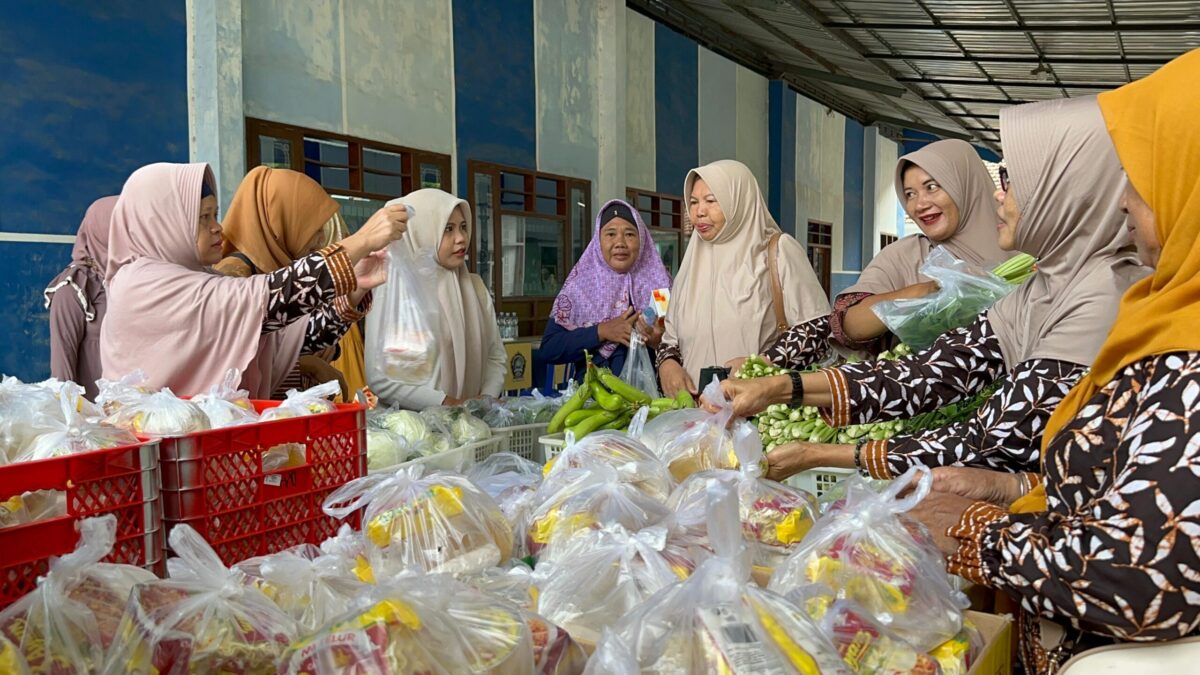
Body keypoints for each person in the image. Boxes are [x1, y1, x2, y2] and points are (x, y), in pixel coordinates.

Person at [904, 50, 1200, 673]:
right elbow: (1116, 484)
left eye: (1141, 179)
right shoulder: (1159, 308)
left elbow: (1142, 574)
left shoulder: (1173, 339)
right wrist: (1009, 488)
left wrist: (975, 531)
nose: (1123, 203)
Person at [716, 95, 1146, 486]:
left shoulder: (1106, 294)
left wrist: (824, 454)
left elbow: (994, 437)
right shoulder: (1045, 283)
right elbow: (932, 373)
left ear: (1068, 189)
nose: (999, 196)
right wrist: (782, 387)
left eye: (1012, 180)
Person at [100, 162, 406, 398]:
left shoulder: (198, 277)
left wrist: (354, 290)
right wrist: (361, 241)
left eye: (215, 214)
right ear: (163, 222)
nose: (218, 227)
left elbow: (289, 338)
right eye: (204, 217)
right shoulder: (140, 283)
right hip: (157, 452)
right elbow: (271, 301)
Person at [657, 159, 831, 397]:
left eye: (711, 200)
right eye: (694, 202)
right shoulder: (690, 265)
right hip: (697, 409)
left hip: (761, 407)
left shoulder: (778, 251)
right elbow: (671, 339)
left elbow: (817, 329)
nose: (699, 211)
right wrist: (667, 364)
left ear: (739, 201)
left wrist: (761, 364)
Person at [832, 139, 1014, 354]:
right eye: (910, 194)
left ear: (966, 185)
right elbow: (849, 327)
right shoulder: (904, 256)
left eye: (931, 187)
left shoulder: (1025, 251)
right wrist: (928, 291)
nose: (919, 205)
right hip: (921, 375)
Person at [215, 166, 368, 399]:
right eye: (313, 228)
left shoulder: (280, 268)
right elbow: (238, 362)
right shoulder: (234, 276)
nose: (320, 240)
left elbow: (296, 338)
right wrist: (307, 364)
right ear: (282, 221)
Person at [366, 188, 506, 409]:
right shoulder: (394, 291)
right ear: (421, 232)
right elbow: (380, 376)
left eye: (463, 227)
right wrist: (449, 404)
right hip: (412, 426)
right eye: (448, 229)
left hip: (472, 423)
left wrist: (482, 403)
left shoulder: (475, 288)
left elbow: (495, 357)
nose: (461, 238)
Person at [539, 199, 672, 377]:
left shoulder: (661, 286)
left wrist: (658, 342)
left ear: (642, 240)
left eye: (629, 234)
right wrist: (601, 331)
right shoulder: (579, 288)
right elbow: (549, 349)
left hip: (652, 391)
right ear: (598, 241)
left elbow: (685, 343)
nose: (620, 243)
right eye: (610, 234)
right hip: (595, 392)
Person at [44, 196, 117, 399]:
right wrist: (71, 413)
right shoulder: (74, 288)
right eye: (120, 230)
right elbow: (62, 373)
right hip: (94, 413)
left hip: (135, 409)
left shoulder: (133, 280)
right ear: (102, 232)